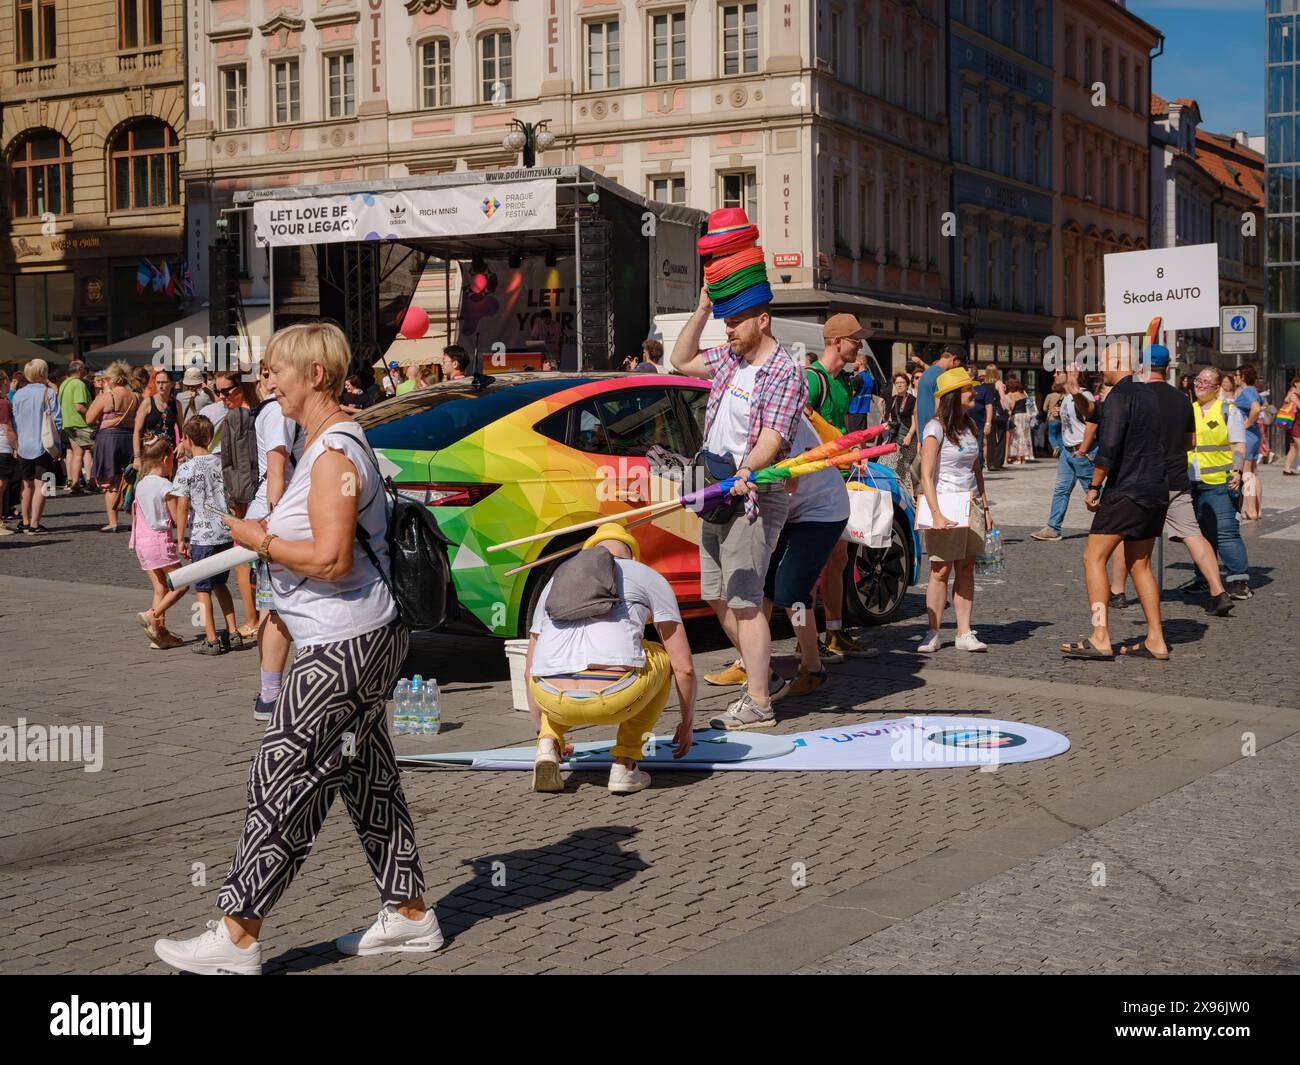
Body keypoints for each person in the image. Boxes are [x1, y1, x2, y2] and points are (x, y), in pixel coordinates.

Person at [154, 322, 437, 976]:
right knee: (367, 778)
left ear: (315, 374)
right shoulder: (325, 442)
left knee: (281, 774)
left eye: (278, 370)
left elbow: (334, 558)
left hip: (343, 641)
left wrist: (262, 542)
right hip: (361, 635)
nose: (267, 381)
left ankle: (238, 931)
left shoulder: (334, 450)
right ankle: (411, 913)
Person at [671, 284, 805, 730]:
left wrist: (746, 471)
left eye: (734, 321)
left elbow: (774, 434)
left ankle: (760, 702)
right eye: (724, 322)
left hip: (752, 496)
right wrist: (702, 305)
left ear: (762, 320)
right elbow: (680, 361)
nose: (727, 330)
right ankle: (762, 672)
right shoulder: (730, 358)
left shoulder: (785, 371)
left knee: (746, 601)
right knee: (714, 592)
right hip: (715, 490)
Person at [524, 523, 696, 795]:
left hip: (550, 696)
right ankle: (625, 765)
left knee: (556, 662)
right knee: (662, 657)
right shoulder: (645, 575)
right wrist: (687, 724)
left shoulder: (555, 579)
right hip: (616, 696)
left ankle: (547, 744)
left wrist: (541, 730)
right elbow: (684, 667)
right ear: (632, 555)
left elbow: (528, 670)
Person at [1061, 340, 1169, 661]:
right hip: (1155, 490)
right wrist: (1076, 393)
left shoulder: (1120, 395)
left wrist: (1094, 487)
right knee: (1140, 564)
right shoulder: (1147, 394)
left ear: (1118, 362)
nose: (1101, 368)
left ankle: (1100, 635)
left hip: (1126, 491)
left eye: (1105, 362)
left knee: (1093, 557)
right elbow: (1097, 413)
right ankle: (1156, 640)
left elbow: (1108, 446)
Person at [761, 418, 852, 693]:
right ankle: (752, 661)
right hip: (792, 513)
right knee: (762, 587)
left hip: (820, 513)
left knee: (792, 593)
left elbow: (790, 482)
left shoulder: (786, 420)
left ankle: (812, 665)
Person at [1145, 347, 1234, 617]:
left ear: (1143, 366)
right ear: (1167, 366)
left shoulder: (1136, 396)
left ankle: (1117, 593)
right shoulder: (1182, 400)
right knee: (1194, 535)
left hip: (1145, 477)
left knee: (1129, 536)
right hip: (1177, 477)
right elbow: (1190, 441)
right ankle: (1218, 591)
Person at [917, 367, 993, 653]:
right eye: (967, 389)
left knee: (966, 568)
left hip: (969, 504)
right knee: (939, 570)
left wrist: (985, 505)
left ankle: (964, 632)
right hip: (945, 504)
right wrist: (935, 513)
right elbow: (926, 475)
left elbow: (977, 470)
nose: (973, 393)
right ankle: (933, 632)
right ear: (953, 396)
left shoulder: (970, 426)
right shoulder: (934, 428)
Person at [248, 361, 305, 723]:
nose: (272, 380)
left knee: (274, 608)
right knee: (279, 610)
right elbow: (276, 468)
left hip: (272, 517)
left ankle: (270, 690)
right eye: (269, 373)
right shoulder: (277, 413)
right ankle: (270, 695)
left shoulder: (274, 412)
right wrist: (275, 521)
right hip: (276, 518)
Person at [171, 415, 243, 654]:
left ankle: (211, 638)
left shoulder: (186, 468)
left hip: (202, 534)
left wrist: (181, 537)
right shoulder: (220, 463)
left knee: (203, 588)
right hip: (224, 531)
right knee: (221, 584)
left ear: (187, 440)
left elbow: (182, 505)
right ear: (210, 438)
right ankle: (233, 631)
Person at [1188, 367, 1251, 601]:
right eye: (1198, 380)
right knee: (1198, 534)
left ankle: (1239, 581)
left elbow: (1238, 445)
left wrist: (1237, 470)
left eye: (1206, 382)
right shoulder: (1189, 410)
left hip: (1220, 482)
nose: (1201, 384)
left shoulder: (1228, 411)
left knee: (1225, 532)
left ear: (1216, 388)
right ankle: (1204, 578)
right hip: (1191, 482)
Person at [129, 434, 187, 648]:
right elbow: (175, 516)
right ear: (166, 458)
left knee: (161, 589)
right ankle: (152, 615)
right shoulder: (165, 486)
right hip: (159, 541)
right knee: (181, 585)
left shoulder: (141, 484)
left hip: (142, 543)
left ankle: (159, 636)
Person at [1032, 366, 1097, 542]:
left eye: (1059, 372)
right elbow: (1075, 424)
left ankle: (1114, 526)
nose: (1054, 375)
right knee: (1061, 490)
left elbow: (1092, 425)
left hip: (1082, 452)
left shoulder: (1084, 396)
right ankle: (1053, 528)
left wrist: (1083, 450)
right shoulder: (1066, 397)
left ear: (1071, 375)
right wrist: (1060, 416)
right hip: (1068, 452)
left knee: (1094, 492)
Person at [85, 361, 139, 532]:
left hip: (109, 440)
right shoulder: (136, 396)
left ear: (111, 379)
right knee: (131, 480)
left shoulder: (106, 397)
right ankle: (138, 521)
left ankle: (113, 522)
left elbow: (89, 418)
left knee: (111, 482)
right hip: (130, 438)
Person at [11, 359, 61, 535]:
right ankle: (34, 524)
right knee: (42, 486)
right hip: (43, 446)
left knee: (27, 485)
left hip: (23, 445)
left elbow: (14, 422)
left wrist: (16, 444)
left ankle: (24, 522)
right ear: (44, 373)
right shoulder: (49, 393)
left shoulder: (18, 394)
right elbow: (57, 421)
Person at [909, 345, 961, 484]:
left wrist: (920, 439)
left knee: (925, 476)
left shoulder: (927, 374)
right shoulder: (942, 376)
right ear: (954, 359)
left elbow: (916, 410)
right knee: (935, 479)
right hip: (938, 434)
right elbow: (940, 407)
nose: (957, 369)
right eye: (959, 365)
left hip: (925, 434)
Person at [58, 360, 94, 495]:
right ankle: (92, 481)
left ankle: (75, 483)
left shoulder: (64, 384)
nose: (87, 371)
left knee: (77, 453)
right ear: (79, 369)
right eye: (85, 368)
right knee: (99, 448)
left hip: (68, 423)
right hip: (80, 423)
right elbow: (79, 407)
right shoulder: (78, 384)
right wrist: (93, 415)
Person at [1234, 366, 1264, 521]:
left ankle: (1251, 510)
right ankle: (1257, 510)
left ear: (1243, 377)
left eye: (1236, 375)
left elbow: (1257, 408)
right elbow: (1262, 405)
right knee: (1253, 473)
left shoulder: (1246, 391)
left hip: (1247, 435)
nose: (1235, 378)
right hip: (1254, 435)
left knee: (1246, 474)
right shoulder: (1254, 391)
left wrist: (1246, 424)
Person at [134, 368, 181, 464]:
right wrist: (137, 457)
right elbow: (137, 432)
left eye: (164, 382)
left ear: (171, 384)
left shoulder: (176, 404)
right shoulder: (147, 403)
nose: (161, 386)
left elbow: (183, 428)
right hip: (150, 454)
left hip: (169, 455)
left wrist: (182, 444)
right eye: (158, 382)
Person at [884, 371, 917, 496]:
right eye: (897, 383)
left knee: (902, 466)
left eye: (902, 382)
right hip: (894, 438)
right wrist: (886, 438)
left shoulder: (913, 400)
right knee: (884, 462)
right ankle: (891, 492)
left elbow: (914, 422)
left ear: (907, 384)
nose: (899, 385)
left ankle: (907, 495)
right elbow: (891, 420)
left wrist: (909, 436)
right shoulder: (892, 400)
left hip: (908, 438)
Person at [1004, 377, 1033, 464]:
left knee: (1017, 436)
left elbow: (1012, 407)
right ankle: (1024, 457)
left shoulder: (1014, 395)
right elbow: (1031, 406)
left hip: (1017, 416)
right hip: (1025, 416)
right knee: (1025, 436)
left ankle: (1018, 458)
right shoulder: (1024, 393)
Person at [0, 372, 15, 535]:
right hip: (2, 447)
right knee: (1, 487)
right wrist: (16, 446)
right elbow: (7, 428)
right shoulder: (3, 403)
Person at [1043, 375, 1065, 457]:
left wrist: (1050, 409)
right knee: (1060, 436)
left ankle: (1055, 446)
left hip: (1052, 418)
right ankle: (1062, 453)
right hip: (1061, 419)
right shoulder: (1064, 396)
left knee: (1051, 435)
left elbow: (1044, 408)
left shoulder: (1049, 396)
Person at [1282, 376, 1300, 475]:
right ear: (1296, 383)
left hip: (1299, 422)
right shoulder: (1293, 394)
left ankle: (1287, 469)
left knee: (1294, 447)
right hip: (1295, 423)